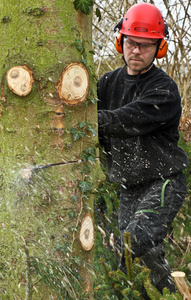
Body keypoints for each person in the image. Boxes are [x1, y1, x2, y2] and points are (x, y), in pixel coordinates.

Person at [97, 2, 189, 297]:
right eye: (131, 43)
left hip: (163, 181)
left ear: (158, 49)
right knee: (134, 261)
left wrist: (87, 121)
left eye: (145, 46)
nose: (136, 51)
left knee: (133, 241)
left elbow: (127, 120)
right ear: (120, 41)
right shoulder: (107, 83)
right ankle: (169, 295)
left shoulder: (164, 89)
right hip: (128, 185)